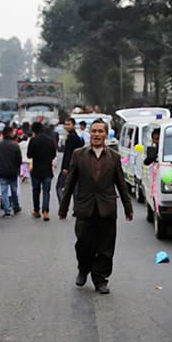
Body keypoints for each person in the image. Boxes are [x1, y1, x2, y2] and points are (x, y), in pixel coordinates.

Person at [60, 119, 133, 294]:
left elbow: (121, 184)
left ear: (106, 135)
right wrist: (63, 207)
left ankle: (100, 279)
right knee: (83, 244)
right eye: (94, 131)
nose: (97, 134)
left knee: (106, 248)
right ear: (90, 134)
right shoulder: (79, 155)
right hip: (85, 208)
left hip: (107, 208)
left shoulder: (114, 157)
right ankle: (83, 269)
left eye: (100, 131)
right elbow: (70, 182)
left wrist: (128, 208)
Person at [54, 117, 84, 219]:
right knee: (75, 188)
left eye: (69, 124)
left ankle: (63, 207)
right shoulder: (76, 136)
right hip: (76, 166)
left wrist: (65, 167)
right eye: (65, 124)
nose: (66, 126)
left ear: (73, 125)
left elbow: (68, 154)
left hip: (69, 167)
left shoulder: (71, 137)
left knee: (59, 187)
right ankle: (76, 209)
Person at [27, 121, 57, 221]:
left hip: (36, 170)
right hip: (47, 169)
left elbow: (29, 155)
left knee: (36, 191)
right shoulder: (50, 140)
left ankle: (36, 210)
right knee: (46, 191)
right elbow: (53, 155)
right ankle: (45, 212)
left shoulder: (33, 140)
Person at [0, 126, 23, 216]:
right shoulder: (15, 145)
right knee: (14, 190)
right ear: (11, 133)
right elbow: (19, 159)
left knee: (4, 191)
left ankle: (6, 209)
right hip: (13, 171)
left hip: (2, 170)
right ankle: (16, 207)